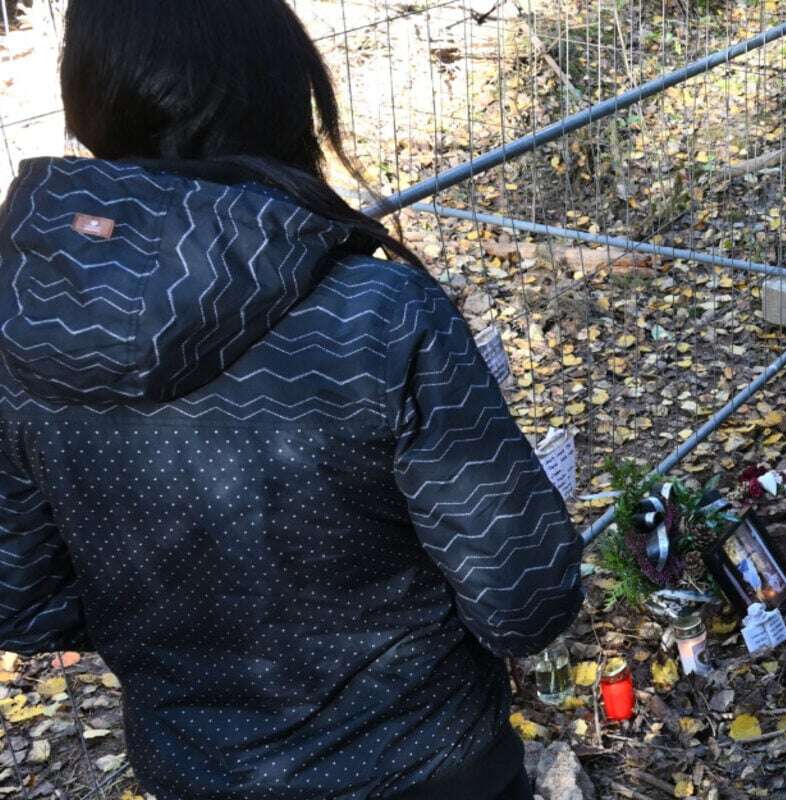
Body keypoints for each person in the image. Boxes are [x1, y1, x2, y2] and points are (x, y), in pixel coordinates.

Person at [0, 2, 582, 798]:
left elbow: (21, 601)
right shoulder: (376, 312)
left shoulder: (17, 331)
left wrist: (173, 639)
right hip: (428, 763)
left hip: (196, 771)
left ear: (92, 93)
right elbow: (524, 595)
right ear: (279, 86)